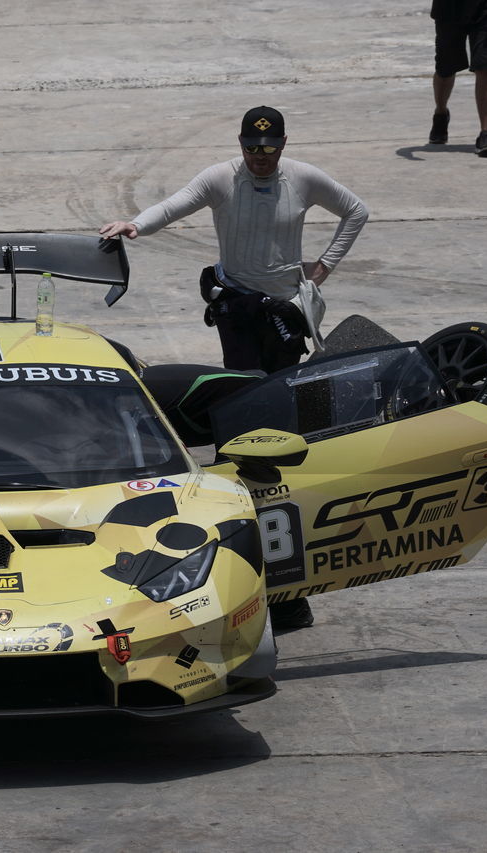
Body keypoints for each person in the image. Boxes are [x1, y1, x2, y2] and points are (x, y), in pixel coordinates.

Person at [100, 105, 369, 631]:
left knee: (279, 408)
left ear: (284, 144)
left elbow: (356, 211)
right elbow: (174, 205)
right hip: (238, 308)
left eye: (269, 150)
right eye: (252, 149)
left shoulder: (305, 178)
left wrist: (324, 266)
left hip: (286, 310)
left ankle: (279, 539)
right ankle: (235, 511)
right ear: (241, 145)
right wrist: (135, 225)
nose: (260, 158)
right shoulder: (222, 177)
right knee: (243, 404)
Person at [429, 0, 487, 157]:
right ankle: (441, 114)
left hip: (485, 7)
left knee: (486, 65)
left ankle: (486, 134)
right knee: (445, 68)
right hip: (448, 8)